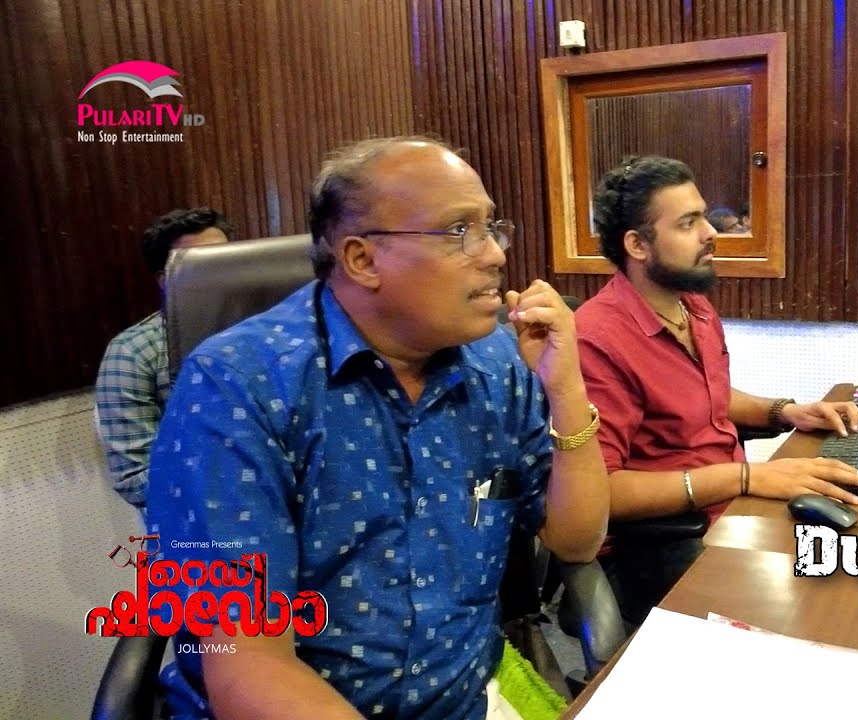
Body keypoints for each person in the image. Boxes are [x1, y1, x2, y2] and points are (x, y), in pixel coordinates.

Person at [147, 136, 609, 719]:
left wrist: (566, 390)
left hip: (466, 698)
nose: (494, 253)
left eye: (491, 227)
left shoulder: (498, 361)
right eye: (458, 230)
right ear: (362, 260)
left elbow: (576, 541)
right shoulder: (239, 384)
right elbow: (246, 663)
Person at [574, 155, 858, 624]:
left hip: (729, 510)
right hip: (661, 543)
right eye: (688, 223)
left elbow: (706, 394)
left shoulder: (692, 306)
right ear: (637, 244)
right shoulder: (595, 339)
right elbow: (600, 492)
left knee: (857, 557)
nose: (710, 233)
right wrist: (745, 477)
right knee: (819, 610)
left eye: (704, 217)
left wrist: (786, 411)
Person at [94, 207, 232, 511]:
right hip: (198, 521)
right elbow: (134, 480)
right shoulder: (133, 352)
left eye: (226, 259)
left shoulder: (268, 333)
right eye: (203, 264)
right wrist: (239, 469)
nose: (221, 273)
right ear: (165, 279)